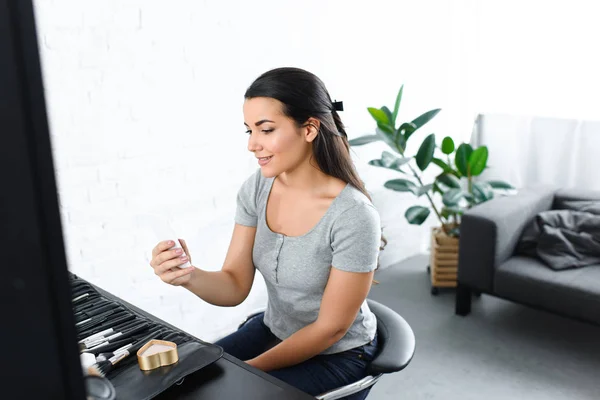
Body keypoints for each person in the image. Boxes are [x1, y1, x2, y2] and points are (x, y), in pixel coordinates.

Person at [149, 67, 385, 399]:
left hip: (339, 354)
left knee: (228, 392)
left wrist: (248, 371)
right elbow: (234, 285)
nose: (252, 144)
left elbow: (331, 329)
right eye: (249, 131)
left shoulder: (354, 215)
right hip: (276, 329)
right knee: (187, 385)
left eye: (266, 129)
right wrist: (187, 275)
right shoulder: (258, 188)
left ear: (309, 129)